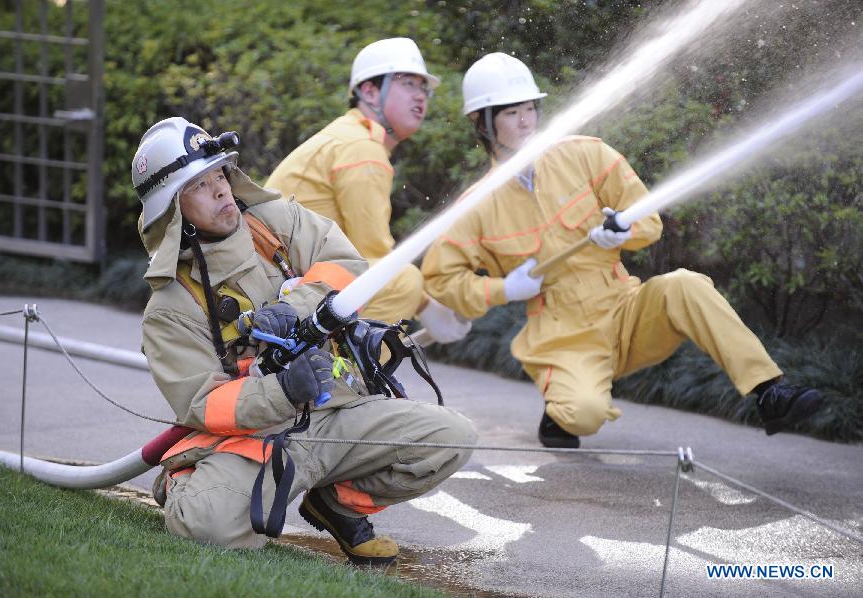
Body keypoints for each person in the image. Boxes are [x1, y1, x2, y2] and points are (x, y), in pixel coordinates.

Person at [421, 53, 823, 448]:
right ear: (482, 122)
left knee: (685, 284)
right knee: (583, 414)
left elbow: (649, 221)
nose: (526, 120)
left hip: (624, 308)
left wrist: (623, 231)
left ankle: (770, 391)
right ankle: (561, 413)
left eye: (529, 108)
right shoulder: (476, 205)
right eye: (510, 113)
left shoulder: (586, 153)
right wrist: (504, 290)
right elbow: (440, 279)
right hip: (562, 336)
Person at [132, 116, 476, 564]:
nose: (220, 189)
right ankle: (189, 482)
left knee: (452, 438)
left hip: (338, 410)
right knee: (207, 524)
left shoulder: (274, 222)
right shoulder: (171, 308)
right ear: (172, 209)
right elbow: (203, 404)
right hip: (257, 438)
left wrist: (294, 308)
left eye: (220, 174)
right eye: (200, 184)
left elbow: (348, 264)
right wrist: (283, 390)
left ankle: (335, 503)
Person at [267, 37, 470, 343]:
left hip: (283, 286)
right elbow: (373, 260)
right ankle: (356, 387)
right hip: (286, 292)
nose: (421, 97)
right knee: (403, 279)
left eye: (423, 88)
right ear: (370, 91)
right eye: (408, 84)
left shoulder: (349, 137)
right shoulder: (361, 148)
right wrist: (427, 307)